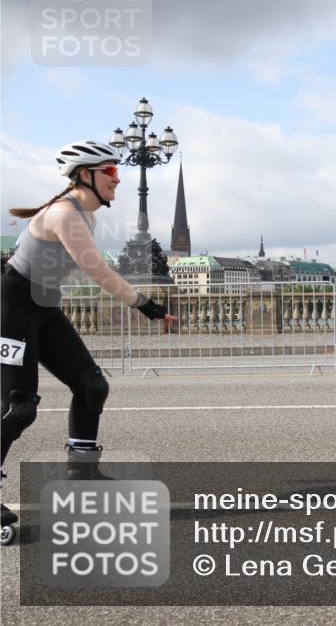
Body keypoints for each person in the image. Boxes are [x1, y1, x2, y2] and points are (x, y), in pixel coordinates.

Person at [1, 140, 178, 539]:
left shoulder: (85, 216)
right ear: (86, 175)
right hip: (12, 306)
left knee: (91, 385)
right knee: (18, 409)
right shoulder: (65, 214)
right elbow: (101, 275)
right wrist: (151, 308)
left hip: (43, 307)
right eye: (111, 171)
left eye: (118, 169)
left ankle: (83, 476)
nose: (119, 178)